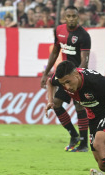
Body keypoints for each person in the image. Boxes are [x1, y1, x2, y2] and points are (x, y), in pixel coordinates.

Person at [40, 5, 91, 152]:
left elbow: (84, 61)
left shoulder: (83, 36)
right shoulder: (59, 30)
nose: (71, 19)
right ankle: (73, 135)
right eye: (68, 16)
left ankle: (83, 144)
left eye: (74, 16)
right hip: (63, 75)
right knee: (56, 104)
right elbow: (55, 52)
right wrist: (46, 72)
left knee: (79, 106)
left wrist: (79, 78)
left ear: (78, 17)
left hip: (76, 76)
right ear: (64, 17)